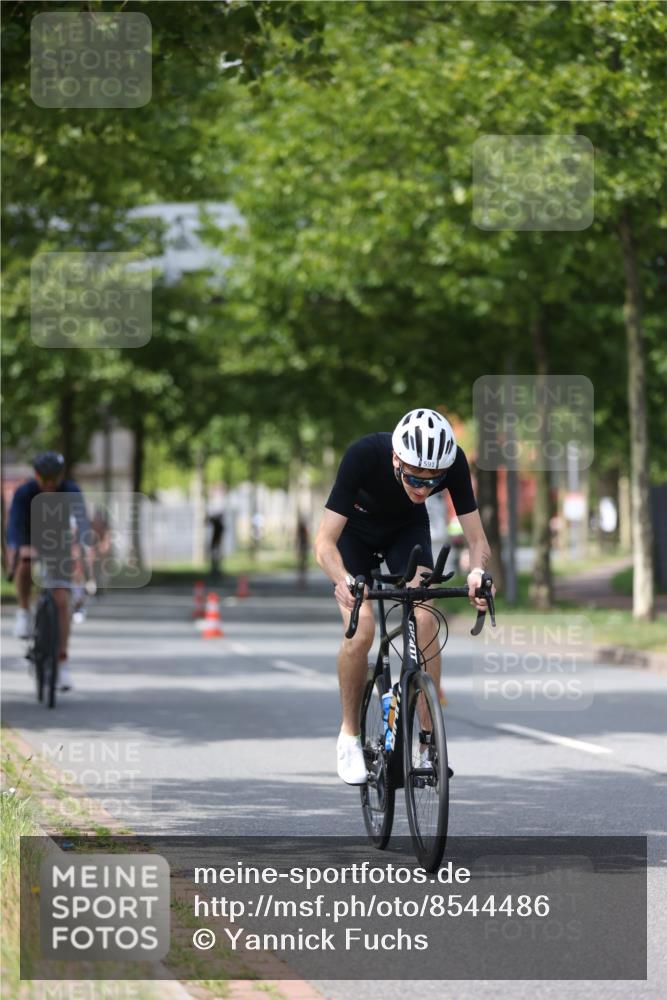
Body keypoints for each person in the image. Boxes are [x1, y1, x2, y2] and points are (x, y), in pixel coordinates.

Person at [314, 408, 494, 785]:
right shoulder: (363, 455)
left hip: (405, 532)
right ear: (397, 459)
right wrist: (343, 579)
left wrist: (477, 573)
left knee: (425, 615)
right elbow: (324, 543)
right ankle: (349, 734)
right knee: (362, 629)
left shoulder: (454, 462)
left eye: (434, 482)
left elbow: (477, 539)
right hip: (355, 535)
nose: (423, 488)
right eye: (414, 478)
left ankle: (428, 742)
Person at [5, 451, 92, 691]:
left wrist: (82, 544)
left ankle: (62, 664)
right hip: (30, 541)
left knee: (62, 600)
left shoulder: (71, 491)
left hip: (59, 545)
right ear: (36, 476)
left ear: (61, 476)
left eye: (54, 478)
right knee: (24, 565)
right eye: (44, 478)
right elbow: (14, 528)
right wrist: (19, 548)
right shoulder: (25, 493)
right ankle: (23, 613)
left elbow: (82, 522)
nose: (49, 484)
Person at [207, 512, 225, 578]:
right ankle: (215, 572)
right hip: (216, 545)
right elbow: (209, 521)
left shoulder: (219, 525)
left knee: (216, 560)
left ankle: (216, 573)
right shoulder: (219, 524)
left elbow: (210, 520)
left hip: (216, 545)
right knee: (215, 560)